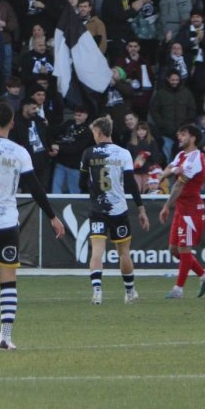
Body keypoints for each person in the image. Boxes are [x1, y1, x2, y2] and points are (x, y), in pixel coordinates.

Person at [0, 101, 64, 350]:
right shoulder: (19, 152)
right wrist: (52, 216)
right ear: (13, 124)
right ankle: (5, 337)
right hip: (6, 224)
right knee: (8, 281)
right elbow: (35, 187)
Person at [79, 116, 149, 306]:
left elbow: (81, 183)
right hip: (118, 209)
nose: (93, 135)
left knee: (97, 251)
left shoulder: (88, 153)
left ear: (99, 132)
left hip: (97, 209)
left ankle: (97, 292)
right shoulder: (124, 153)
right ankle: (129, 292)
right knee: (124, 253)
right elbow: (130, 184)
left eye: (94, 132)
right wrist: (141, 208)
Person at [159, 124, 205, 299]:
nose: (179, 137)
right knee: (174, 250)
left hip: (191, 209)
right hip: (181, 208)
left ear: (192, 138)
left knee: (184, 248)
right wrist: (171, 171)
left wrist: (166, 206)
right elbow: (167, 169)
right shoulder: (181, 155)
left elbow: (179, 184)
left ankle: (178, 289)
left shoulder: (196, 158)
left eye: (183, 134)